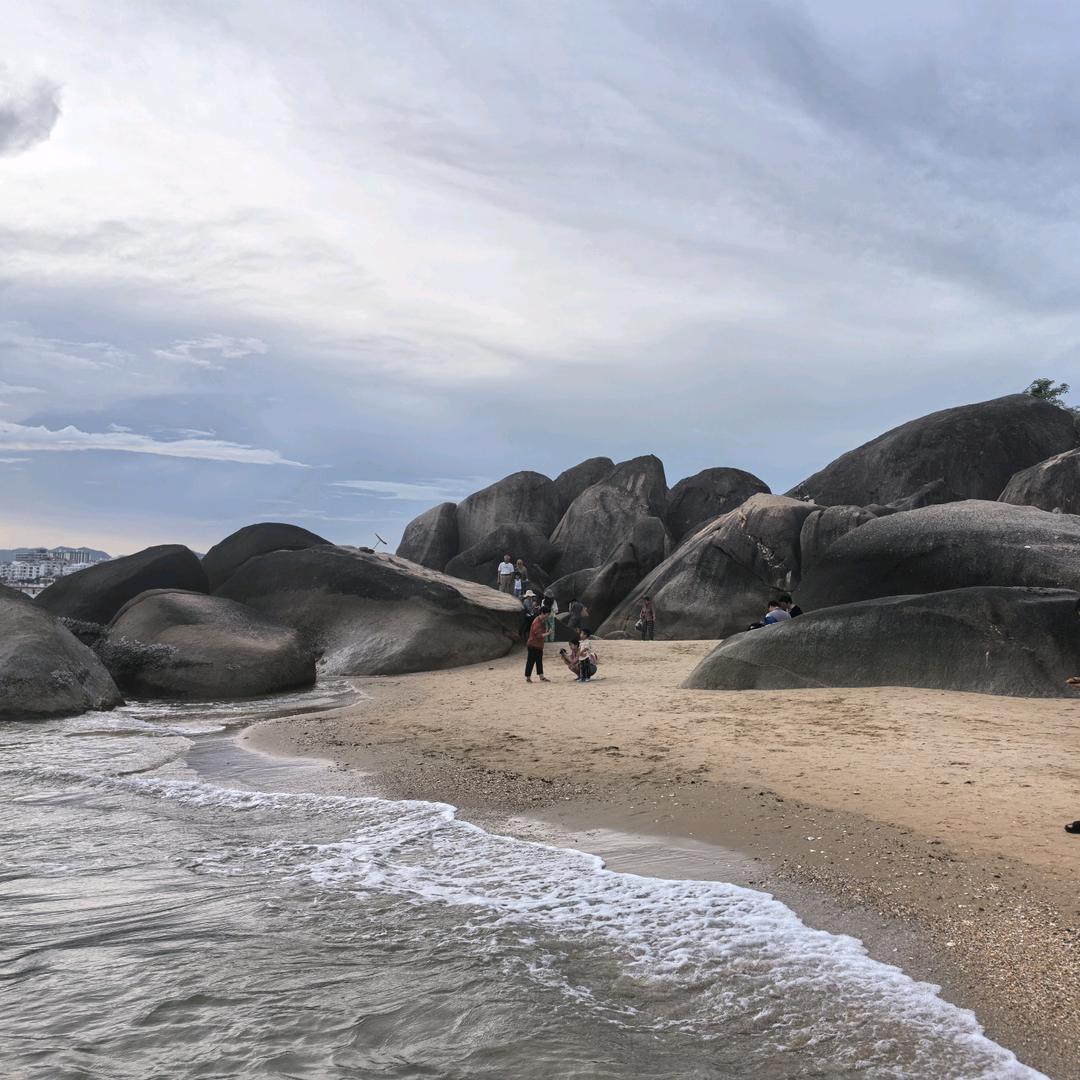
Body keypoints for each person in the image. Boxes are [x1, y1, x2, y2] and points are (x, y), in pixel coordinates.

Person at [525, 608, 549, 683]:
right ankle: (528, 677)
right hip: (533, 644)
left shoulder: (541, 621)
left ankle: (541, 676)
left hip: (538, 645)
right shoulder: (537, 622)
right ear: (542, 613)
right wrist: (547, 634)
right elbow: (538, 635)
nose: (547, 616)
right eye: (547, 614)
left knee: (539, 661)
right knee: (531, 661)